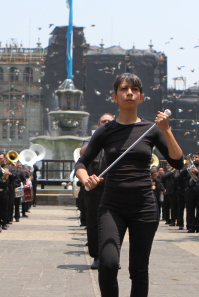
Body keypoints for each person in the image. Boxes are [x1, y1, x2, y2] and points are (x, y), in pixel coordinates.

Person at [75, 73, 183, 296]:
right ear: (115, 96)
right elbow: (82, 162)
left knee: (139, 269)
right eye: (124, 89)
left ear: (141, 97)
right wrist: (86, 179)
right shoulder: (105, 131)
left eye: (134, 89)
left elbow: (177, 161)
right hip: (112, 206)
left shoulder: (152, 129)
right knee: (108, 263)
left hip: (144, 206)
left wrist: (167, 130)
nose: (129, 93)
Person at [83, 113, 114, 270]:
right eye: (104, 121)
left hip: (113, 189)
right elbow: (82, 155)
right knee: (94, 223)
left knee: (114, 224)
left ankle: (112, 256)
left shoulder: (117, 141)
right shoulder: (91, 141)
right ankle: (96, 256)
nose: (107, 123)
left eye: (110, 121)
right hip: (95, 190)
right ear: (99, 124)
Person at [184, 153, 199, 233]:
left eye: (196, 157)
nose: (194, 158)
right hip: (190, 189)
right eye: (193, 157)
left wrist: (198, 172)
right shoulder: (189, 167)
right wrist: (185, 168)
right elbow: (179, 177)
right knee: (190, 209)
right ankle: (191, 226)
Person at [0, 153, 12, 230]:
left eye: (1, 158)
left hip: (5, 190)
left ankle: (4, 222)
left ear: (5, 159)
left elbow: (15, 176)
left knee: (5, 207)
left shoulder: (9, 167)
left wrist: (9, 173)